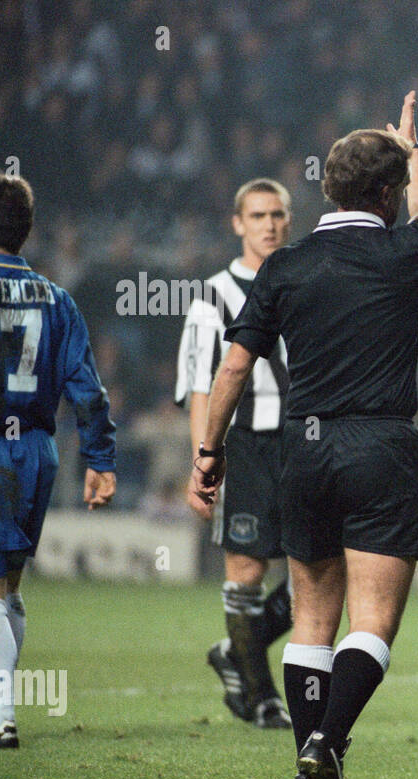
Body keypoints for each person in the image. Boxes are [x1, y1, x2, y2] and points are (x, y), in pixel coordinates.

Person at [189, 91, 418, 779]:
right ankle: (324, 747)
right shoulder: (404, 251)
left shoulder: (285, 265)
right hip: (381, 447)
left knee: (311, 620)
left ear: (327, 189)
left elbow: (232, 368)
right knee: (373, 622)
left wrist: (210, 453)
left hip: (304, 448)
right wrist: (413, 146)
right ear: (386, 194)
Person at [0, 171, 116, 749]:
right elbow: (89, 390)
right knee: (4, 589)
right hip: (36, 454)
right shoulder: (58, 297)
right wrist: (100, 459)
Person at [175, 178, 295, 730]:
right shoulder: (213, 296)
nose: (268, 224)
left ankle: (232, 652)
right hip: (243, 447)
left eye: (277, 214)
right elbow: (201, 387)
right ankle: (262, 694)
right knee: (246, 572)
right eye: (257, 215)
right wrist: (205, 457)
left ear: (289, 221)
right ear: (237, 223)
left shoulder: (301, 280)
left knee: (320, 570)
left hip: (300, 445)